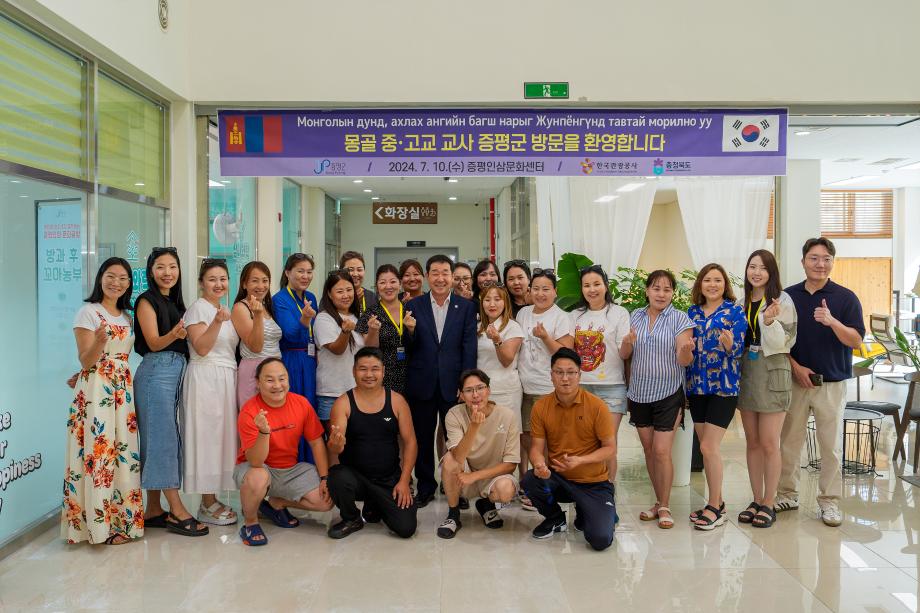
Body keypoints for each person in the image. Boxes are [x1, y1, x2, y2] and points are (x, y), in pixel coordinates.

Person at [776, 238, 864, 527]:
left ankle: (829, 502)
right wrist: (796, 368)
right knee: (789, 442)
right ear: (803, 261)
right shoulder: (788, 297)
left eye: (826, 258)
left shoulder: (846, 298)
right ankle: (787, 494)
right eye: (814, 258)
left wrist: (832, 321)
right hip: (796, 381)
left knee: (831, 447)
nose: (820, 264)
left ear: (833, 262)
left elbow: (856, 341)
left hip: (832, 383)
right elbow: (777, 341)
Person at [63, 258, 144, 545]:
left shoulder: (127, 316)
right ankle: (97, 528)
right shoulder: (88, 312)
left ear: (129, 284)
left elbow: (122, 356)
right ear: (100, 278)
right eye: (111, 276)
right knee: (98, 453)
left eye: (123, 278)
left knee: (123, 454)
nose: (116, 283)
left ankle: (122, 523)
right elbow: (86, 361)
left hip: (122, 392)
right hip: (96, 392)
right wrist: (99, 341)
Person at [133, 247, 208, 537]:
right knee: (162, 441)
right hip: (156, 372)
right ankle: (177, 510)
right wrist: (175, 335)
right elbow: (153, 343)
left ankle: (153, 508)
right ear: (151, 272)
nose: (168, 273)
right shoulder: (146, 300)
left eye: (173, 267)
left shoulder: (174, 301)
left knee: (159, 439)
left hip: (173, 372)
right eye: (161, 267)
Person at [620, 270, 695, 529]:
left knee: (662, 451)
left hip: (668, 392)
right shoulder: (635, 316)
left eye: (667, 289)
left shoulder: (680, 318)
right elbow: (625, 354)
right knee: (650, 451)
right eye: (656, 288)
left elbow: (684, 361)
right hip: (639, 392)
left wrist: (685, 351)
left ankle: (664, 505)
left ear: (673, 293)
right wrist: (627, 342)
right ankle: (657, 501)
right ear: (647, 291)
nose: (661, 294)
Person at [521, 348, 617, 551]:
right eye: (559, 372)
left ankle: (589, 510)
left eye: (571, 372)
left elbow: (610, 449)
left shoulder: (597, 406)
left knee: (600, 539)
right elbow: (536, 448)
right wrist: (539, 464)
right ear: (551, 375)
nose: (565, 378)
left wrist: (581, 460)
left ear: (579, 375)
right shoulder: (541, 407)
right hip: (559, 479)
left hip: (593, 483)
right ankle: (555, 518)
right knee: (530, 480)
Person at [404, 254, 478, 507]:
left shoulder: (466, 307)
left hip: (453, 384)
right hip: (421, 383)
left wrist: (465, 385)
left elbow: (469, 348)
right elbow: (407, 348)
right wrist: (409, 331)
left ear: (452, 277)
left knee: (455, 439)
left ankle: (455, 485)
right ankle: (426, 486)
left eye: (445, 273)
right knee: (423, 438)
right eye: (434, 273)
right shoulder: (414, 305)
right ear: (427, 276)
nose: (440, 278)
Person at [235, 358, 333, 546]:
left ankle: (277, 502)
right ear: (258, 383)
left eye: (282, 379)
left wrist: (324, 478)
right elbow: (255, 461)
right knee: (258, 477)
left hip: (290, 470)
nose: (277, 385)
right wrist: (264, 432)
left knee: (326, 501)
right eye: (269, 380)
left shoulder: (301, 403)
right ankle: (250, 523)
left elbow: (316, 443)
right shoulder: (249, 411)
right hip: (257, 468)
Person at [326, 348, 418, 539]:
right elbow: (335, 448)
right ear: (354, 371)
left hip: (388, 479)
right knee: (336, 477)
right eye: (363, 369)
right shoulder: (343, 403)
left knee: (406, 528)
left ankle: (375, 504)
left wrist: (404, 481)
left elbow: (410, 443)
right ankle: (352, 518)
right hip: (356, 478)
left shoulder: (397, 401)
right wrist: (336, 444)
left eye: (375, 369)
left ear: (383, 371)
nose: (369, 374)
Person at [736, 250, 797, 529]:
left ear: (771, 272)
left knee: (770, 442)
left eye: (762, 267)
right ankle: (756, 499)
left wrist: (770, 322)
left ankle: (769, 502)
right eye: (752, 266)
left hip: (773, 370)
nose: (757, 272)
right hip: (748, 371)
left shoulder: (782, 301)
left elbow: (785, 342)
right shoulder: (741, 302)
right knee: (752, 442)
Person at [685, 264, 747, 530]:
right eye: (708, 280)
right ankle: (717, 503)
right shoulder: (692, 312)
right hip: (697, 387)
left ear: (725, 285)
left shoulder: (735, 312)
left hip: (724, 387)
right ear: (700, 284)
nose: (712, 284)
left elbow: (740, 350)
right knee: (705, 448)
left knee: (709, 448)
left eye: (718, 280)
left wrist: (730, 345)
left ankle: (714, 507)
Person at [182, 258, 239, 526]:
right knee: (207, 437)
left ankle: (213, 498)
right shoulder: (198, 309)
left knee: (222, 437)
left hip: (226, 378)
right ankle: (206, 503)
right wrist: (216, 321)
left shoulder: (223, 309)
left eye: (223, 279)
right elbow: (202, 347)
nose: (219, 284)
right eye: (212, 279)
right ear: (201, 283)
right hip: (205, 378)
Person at [515, 268, 574, 510]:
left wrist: (546, 337)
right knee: (527, 438)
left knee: (548, 442)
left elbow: (566, 354)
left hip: (547, 388)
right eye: (536, 289)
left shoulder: (561, 317)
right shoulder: (523, 313)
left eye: (546, 289)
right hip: (523, 387)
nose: (540, 294)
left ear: (555, 292)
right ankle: (535, 485)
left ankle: (550, 489)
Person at [437, 370, 520, 539]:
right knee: (449, 460)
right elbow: (458, 457)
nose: (475, 395)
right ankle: (453, 514)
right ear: (461, 395)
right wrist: (474, 426)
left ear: (489, 390)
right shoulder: (453, 414)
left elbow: (511, 464)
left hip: (492, 476)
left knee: (505, 491)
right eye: (469, 390)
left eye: (480, 388)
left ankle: (486, 505)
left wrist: (475, 476)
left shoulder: (507, 415)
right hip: (463, 475)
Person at [572, 264, 630, 489]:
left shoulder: (619, 313)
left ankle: (607, 491)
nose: (592, 289)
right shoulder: (575, 315)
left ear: (605, 286)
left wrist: (628, 343)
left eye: (596, 284)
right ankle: (585, 492)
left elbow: (624, 354)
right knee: (584, 443)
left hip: (612, 387)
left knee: (608, 443)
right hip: (581, 388)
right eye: (587, 285)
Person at [314, 270, 365, 431]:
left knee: (357, 441)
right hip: (332, 393)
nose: (346, 295)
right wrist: (345, 332)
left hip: (357, 391)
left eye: (349, 290)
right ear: (329, 294)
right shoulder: (323, 318)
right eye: (340, 291)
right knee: (336, 441)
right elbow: (337, 349)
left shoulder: (357, 317)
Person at [232, 261, 282, 408]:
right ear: (244, 284)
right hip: (254, 371)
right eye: (255, 281)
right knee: (255, 417)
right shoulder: (240, 308)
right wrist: (258, 316)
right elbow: (256, 347)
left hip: (274, 370)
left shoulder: (267, 307)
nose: (261, 286)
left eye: (265, 281)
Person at [272, 253, 318, 409]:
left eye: (309, 272)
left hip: (311, 358)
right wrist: (305, 318)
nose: (306, 276)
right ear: (287, 273)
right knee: (294, 406)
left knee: (311, 406)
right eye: (300, 271)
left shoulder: (311, 297)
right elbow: (291, 335)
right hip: (292, 360)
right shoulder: (279, 299)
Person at [358, 264, 412, 394]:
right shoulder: (370, 313)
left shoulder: (410, 309)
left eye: (393, 282)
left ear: (400, 284)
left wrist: (411, 330)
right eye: (382, 282)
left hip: (412, 375)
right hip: (383, 378)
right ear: (377, 287)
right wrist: (373, 331)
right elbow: (370, 349)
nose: (388, 286)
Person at [476, 286, 524, 425]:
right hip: (480, 391)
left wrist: (497, 340)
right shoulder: (478, 326)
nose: (492, 304)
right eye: (487, 300)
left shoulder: (512, 327)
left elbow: (506, 360)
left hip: (505, 390)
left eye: (497, 299)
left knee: (506, 432)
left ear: (505, 302)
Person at [341, 250, 378, 316]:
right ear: (341, 271)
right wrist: (352, 301)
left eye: (359, 270)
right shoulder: (333, 296)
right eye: (350, 270)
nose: (355, 274)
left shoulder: (371, 297)